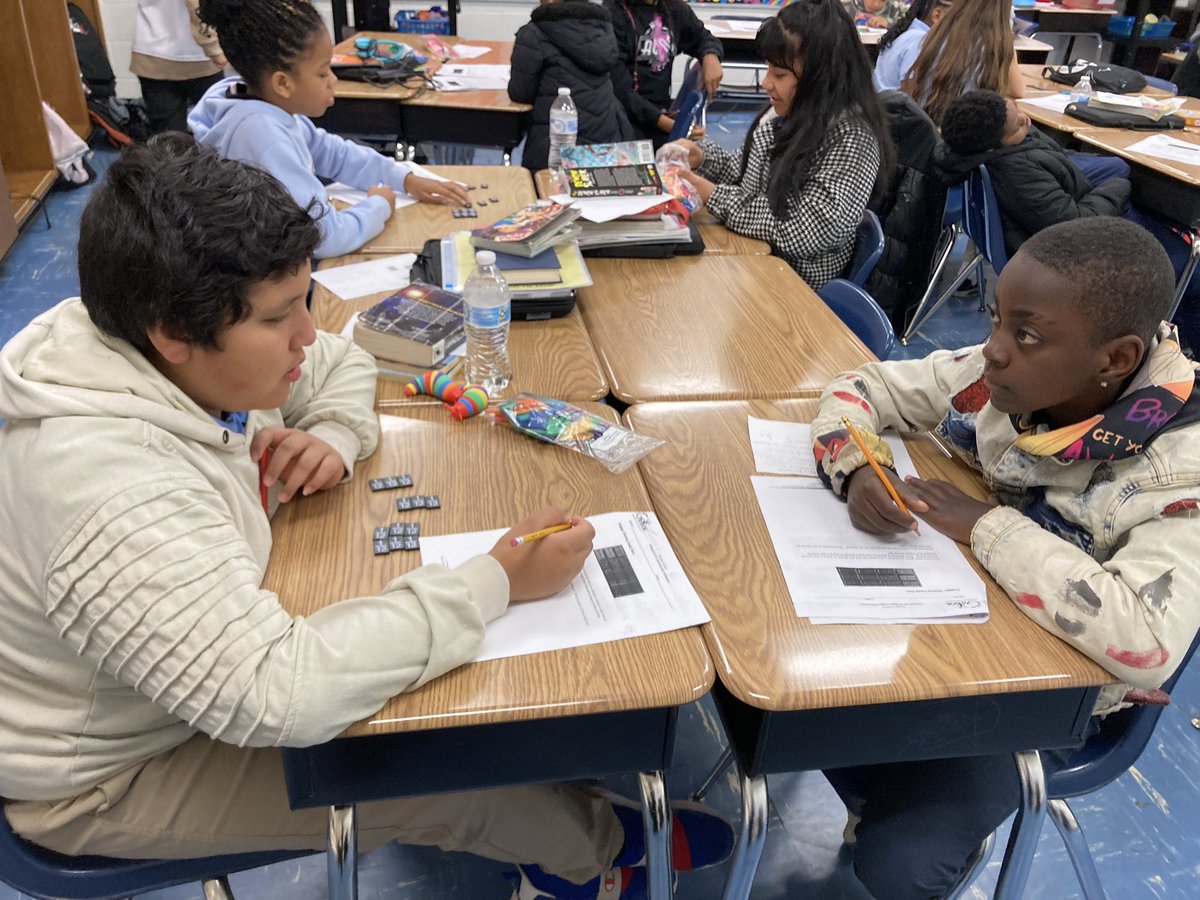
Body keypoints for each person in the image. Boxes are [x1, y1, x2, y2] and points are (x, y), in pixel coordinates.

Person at [0, 136, 732, 900]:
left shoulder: (159, 349)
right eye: (281, 317)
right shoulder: (107, 489)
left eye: (304, 302)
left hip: (184, 679)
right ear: (174, 333)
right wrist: (496, 579)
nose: (305, 335)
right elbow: (279, 692)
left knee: (428, 688)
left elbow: (345, 360)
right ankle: (598, 854)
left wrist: (331, 434)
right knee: (427, 768)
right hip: (110, 774)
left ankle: (564, 814)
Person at [810, 216, 1200, 900]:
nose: (990, 351)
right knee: (799, 710)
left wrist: (988, 526)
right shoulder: (1005, 380)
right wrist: (858, 464)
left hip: (1051, 701)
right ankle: (885, 789)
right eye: (994, 320)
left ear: (1114, 359)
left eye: (1024, 335)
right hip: (961, 629)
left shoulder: (1180, 473)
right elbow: (861, 387)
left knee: (899, 866)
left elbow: (1144, 642)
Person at [187, 0, 470, 259]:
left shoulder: (256, 103)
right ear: (282, 84)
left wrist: (404, 179)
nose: (333, 80)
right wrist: (379, 206)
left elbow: (333, 153)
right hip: (266, 279)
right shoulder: (262, 135)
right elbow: (321, 236)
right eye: (323, 72)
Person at [935, 89, 1200, 349]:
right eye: (1017, 125)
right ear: (994, 146)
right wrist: (1117, 185)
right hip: (1080, 251)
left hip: (1076, 229)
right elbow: (1076, 223)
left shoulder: (994, 153)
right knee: (1194, 273)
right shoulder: (1016, 172)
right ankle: (1175, 352)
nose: (1027, 120)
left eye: (1021, 113)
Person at [670, 0, 894, 290]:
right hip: (755, 270)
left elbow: (804, 229)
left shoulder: (852, 139)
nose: (766, 83)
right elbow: (746, 170)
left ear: (821, 77)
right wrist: (702, 157)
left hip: (794, 293)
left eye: (779, 74)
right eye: (768, 70)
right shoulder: (787, 115)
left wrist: (712, 195)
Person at [508, 0, 638, 173]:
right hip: (609, 148)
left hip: (555, 152)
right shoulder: (603, 28)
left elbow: (520, 93)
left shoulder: (534, 33)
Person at [605, 0, 724, 145]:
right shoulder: (613, 15)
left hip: (661, 118)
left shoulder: (673, 9)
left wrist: (710, 55)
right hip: (624, 120)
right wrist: (671, 126)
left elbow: (703, 38)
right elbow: (619, 90)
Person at [901, 0, 1023, 124]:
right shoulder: (993, 45)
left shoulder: (938, 33)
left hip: (925, 125)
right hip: (960, 130)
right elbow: (1018, 91)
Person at [131, 0, 227, 135]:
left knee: (168, 140)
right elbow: (198, 6)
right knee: (214, 131)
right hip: (197, 55)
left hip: (152, 48)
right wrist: (214, 49)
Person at [873, 0, 953, 91]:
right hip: (894, 103)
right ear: (937, 16)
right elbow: (910, 93)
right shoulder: (920, 40)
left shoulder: (907, 33)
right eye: (955, 19)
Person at [842, 0, 912, 30]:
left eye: (882, 0)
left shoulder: (898, 6)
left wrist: (889, 23)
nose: (876, 4)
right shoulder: (844, 4)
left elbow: (913, 23)